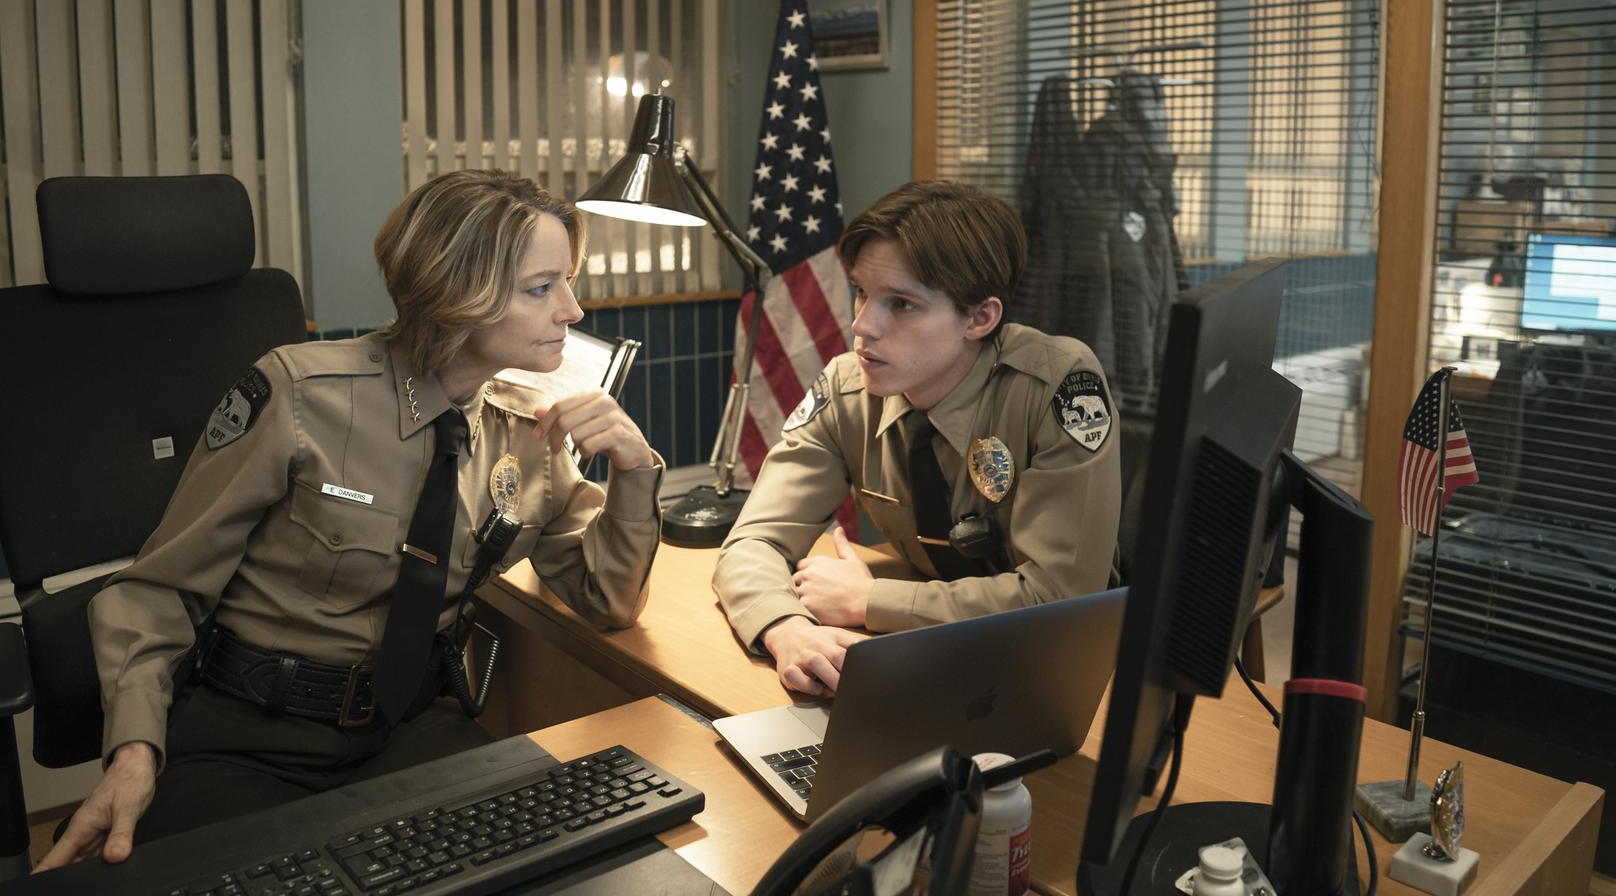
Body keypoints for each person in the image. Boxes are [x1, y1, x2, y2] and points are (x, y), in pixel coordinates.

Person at [39, 170, 663, 871]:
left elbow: (606, 601)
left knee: (554, 863)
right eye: (542, 288)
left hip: (408, 728)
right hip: (249, 735)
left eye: (567, 282)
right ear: (458, 293)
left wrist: (635, 471)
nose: (573, 311)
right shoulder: (301, 397)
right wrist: (133, 751)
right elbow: (155, 592)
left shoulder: (528, 431)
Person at [713, 180, 1121, 697]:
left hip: (1051, 672)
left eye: (902, 304)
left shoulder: (1055, 387)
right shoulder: (848, 388)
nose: (862, 326)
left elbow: (1058, 600)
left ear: (980, 318)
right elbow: (753, 541)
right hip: (922, 659)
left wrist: (871, 601)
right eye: (862, 292)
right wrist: (785, 628)